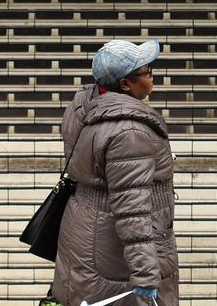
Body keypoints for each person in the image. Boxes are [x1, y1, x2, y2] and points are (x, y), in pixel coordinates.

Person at [50, 39, 179, 306]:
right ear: (124, 85)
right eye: (147, 72)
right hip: (114, 254)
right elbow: (133, 209)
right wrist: (145, 274)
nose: (153, 76)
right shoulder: (130, 132)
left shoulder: (83, 107)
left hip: (84, 234)